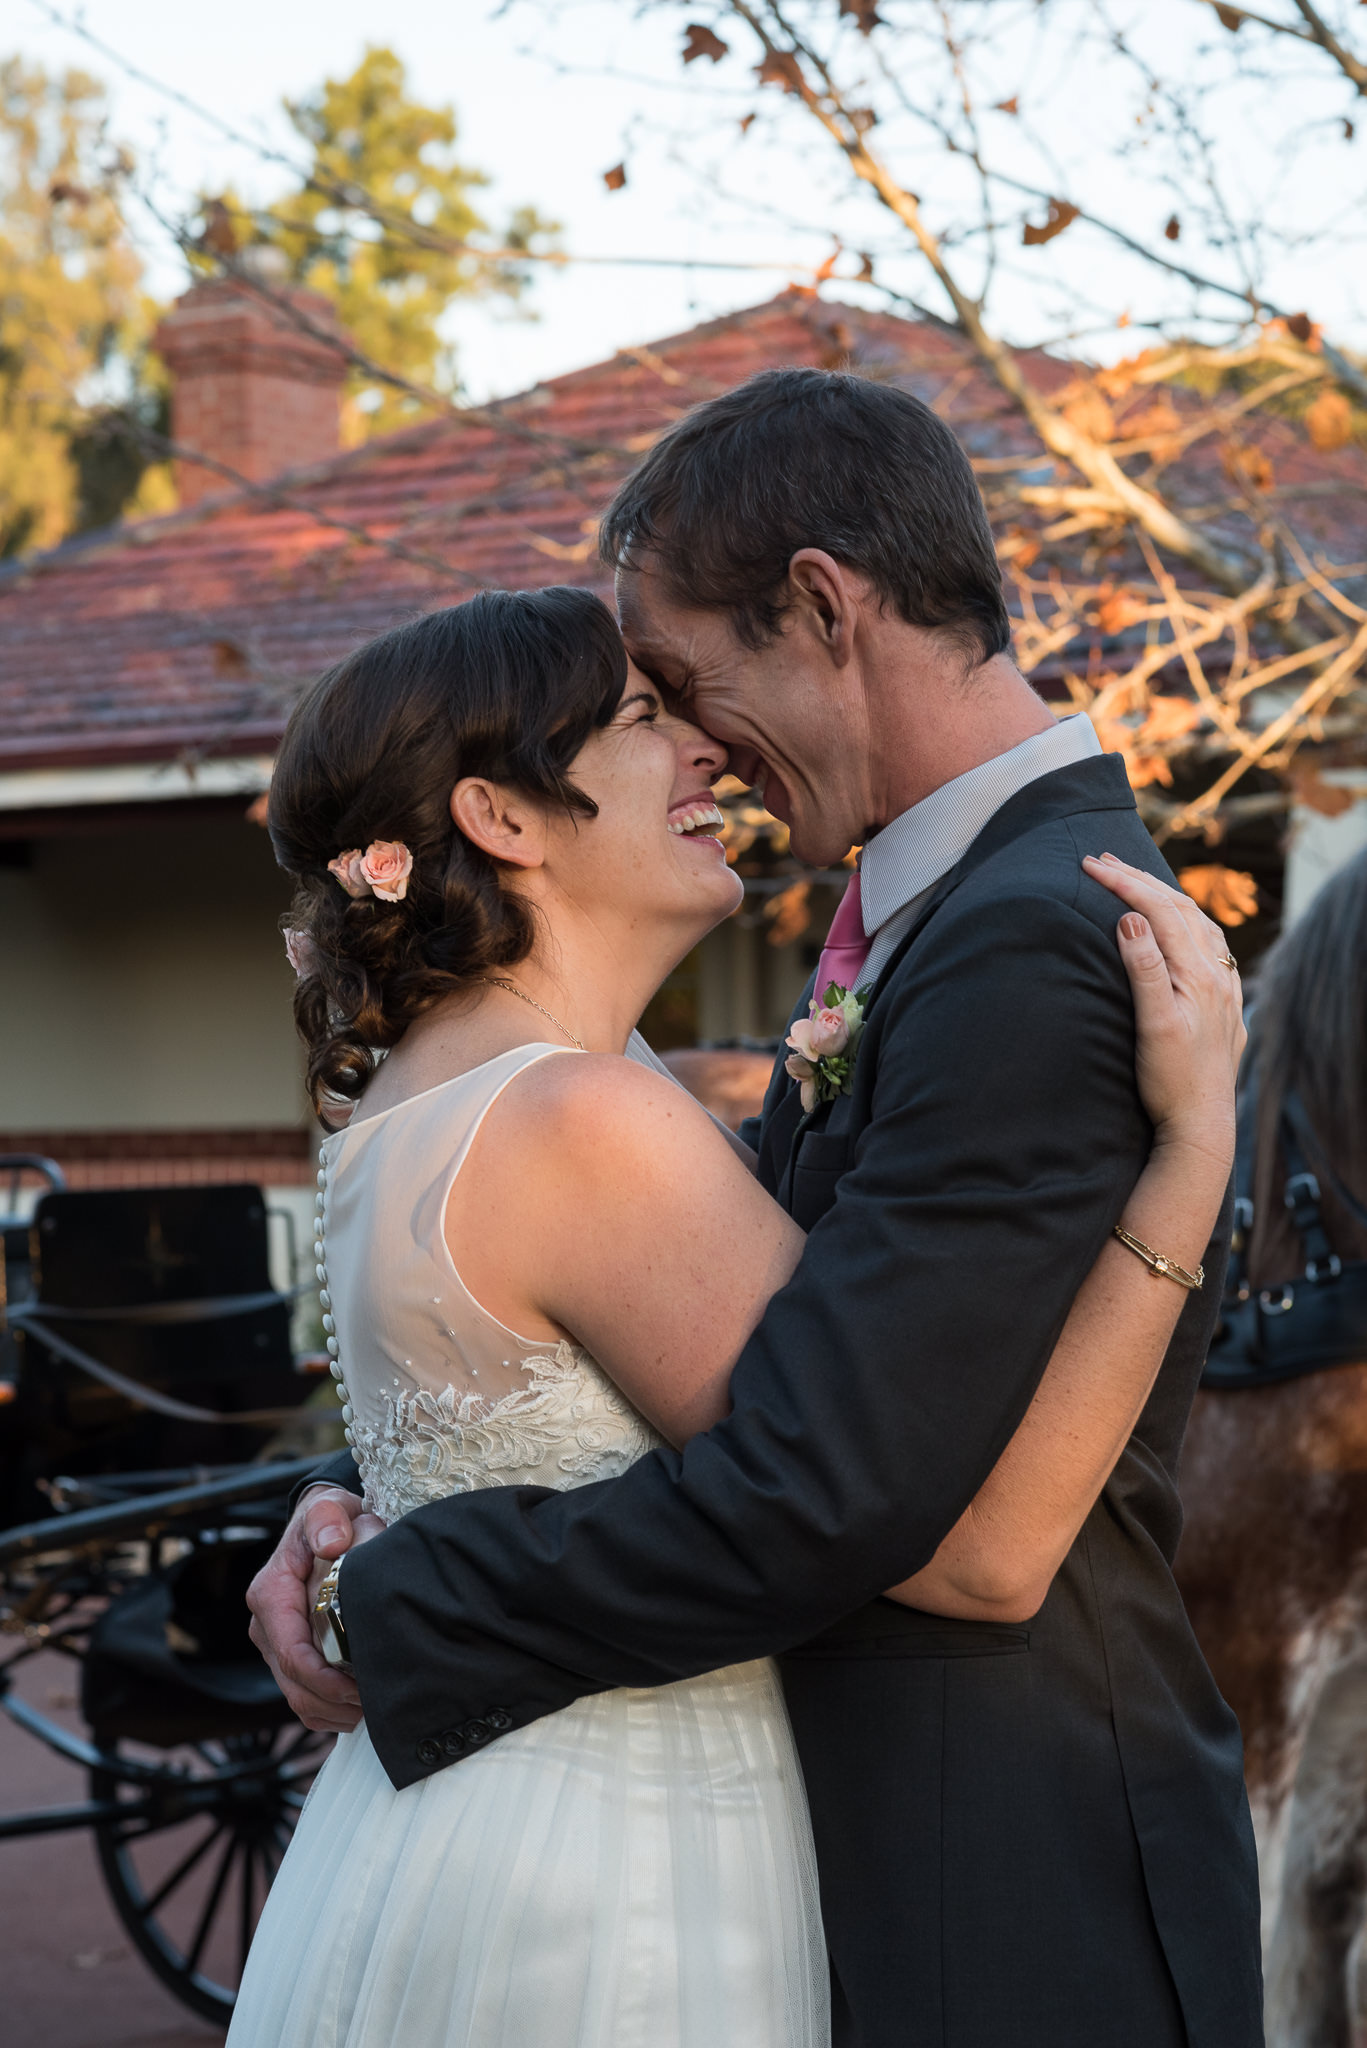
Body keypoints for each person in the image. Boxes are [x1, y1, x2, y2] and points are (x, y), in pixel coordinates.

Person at [247, 372, 1263, 2048]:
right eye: (652, 713)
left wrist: (401, 1592)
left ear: (820, 607)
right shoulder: (901, 918)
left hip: (999, 1877)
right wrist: (373, 1490)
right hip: (771, 1858)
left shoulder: (1032, 935)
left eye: (686, 685)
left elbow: (899, 1515)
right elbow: (691, 1361)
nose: (701, 743)